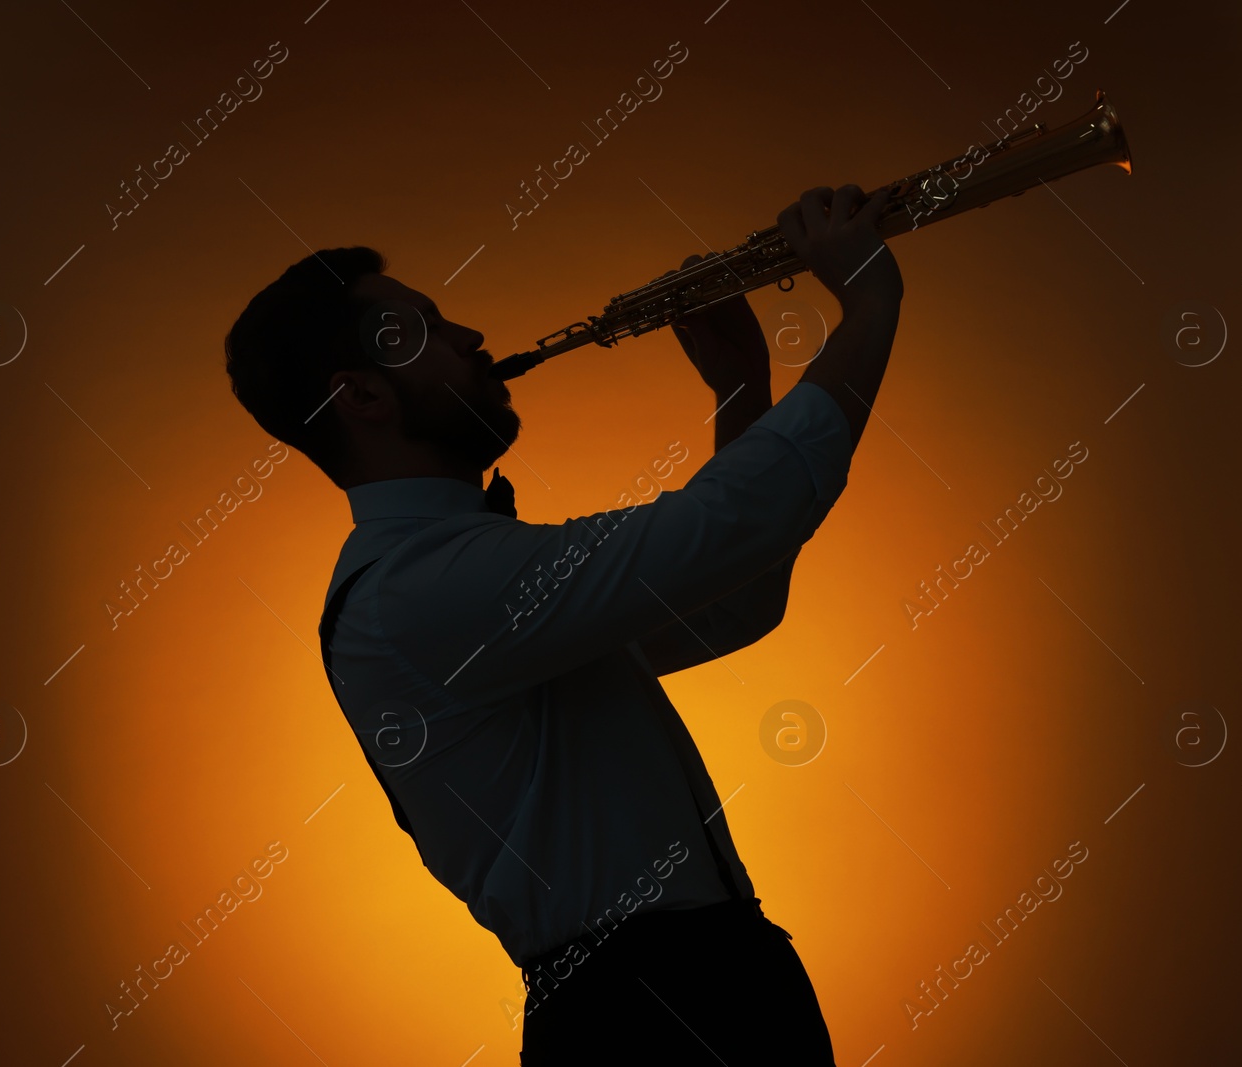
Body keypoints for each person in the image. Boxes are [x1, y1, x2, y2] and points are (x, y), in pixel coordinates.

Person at [223, 183, 904, 1065]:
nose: (470, 339)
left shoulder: (452, 569)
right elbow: (735, 523)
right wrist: (871, 299)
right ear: (359, 397)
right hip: (646, 1015)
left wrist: (742, 385)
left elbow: (729, 603)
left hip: (695, 987)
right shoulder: (417, 590)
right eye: (427, 329)